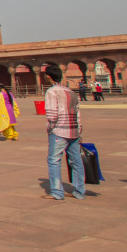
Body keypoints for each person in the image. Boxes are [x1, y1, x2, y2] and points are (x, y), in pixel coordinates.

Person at [43, 64, 84, 200]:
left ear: (48, 76)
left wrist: (50, 128)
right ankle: (79, 191)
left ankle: (57, 192)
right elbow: (78, 113)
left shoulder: (52, 92)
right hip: (74, 130)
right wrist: (79, 129)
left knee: (54, 160)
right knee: (76, 161)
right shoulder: (71, 92)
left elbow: (52, 114)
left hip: (59, 131)